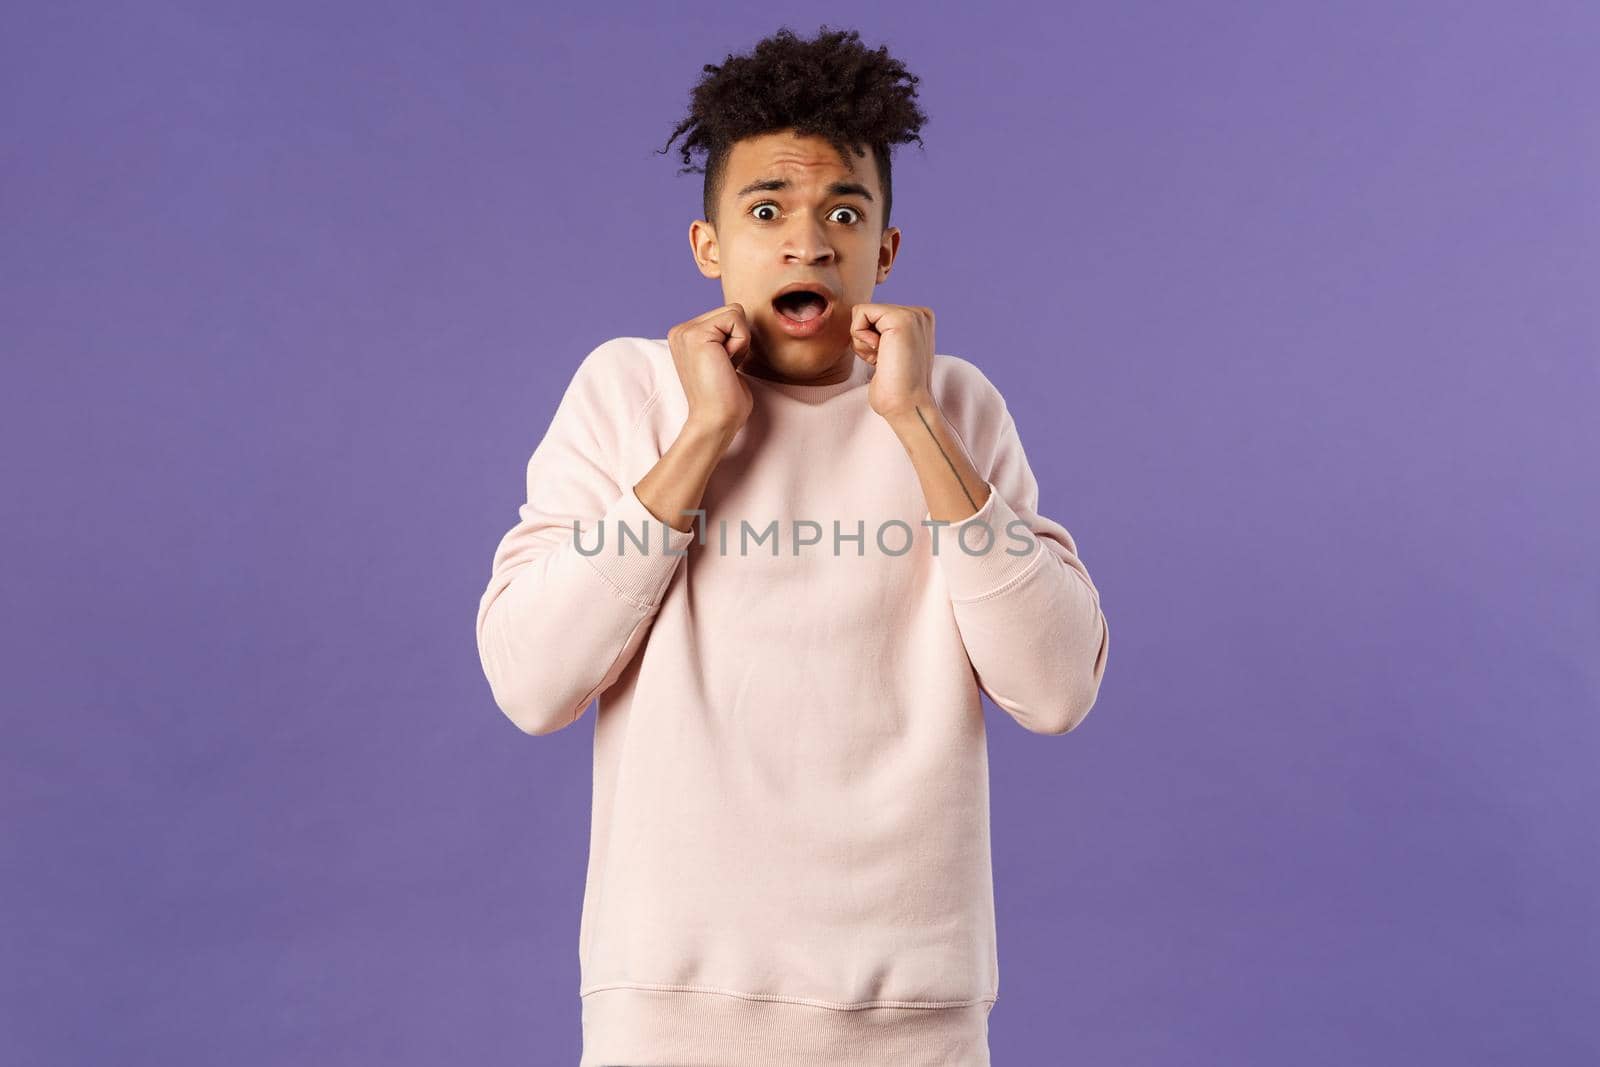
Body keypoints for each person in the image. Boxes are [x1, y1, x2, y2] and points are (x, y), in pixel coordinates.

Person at [474, 24, 1110, 1066]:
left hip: (913, 1016)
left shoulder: (955, 405)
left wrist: (911, 424)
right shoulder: (626, 393)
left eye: (843, 213)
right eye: (766, 209)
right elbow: (530, 681)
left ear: (883, 252)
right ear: (708, 245)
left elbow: (1054, 689)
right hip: (667, 1007)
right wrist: (703, 436)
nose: (806, 242)